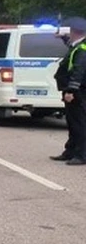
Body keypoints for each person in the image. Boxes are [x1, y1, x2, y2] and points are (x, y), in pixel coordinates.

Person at [51, 17, 86, 165]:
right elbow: (72, 47)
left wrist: (71, 90)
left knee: (79, 123)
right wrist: (63, 39)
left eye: (70, 31)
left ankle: (81, 155)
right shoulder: (77, 46)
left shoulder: (82, 49)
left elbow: (78, 70)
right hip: (72, 90)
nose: (69, 34)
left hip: (78, 92)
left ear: (75, 32)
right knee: (72, 123)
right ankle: (70, 151)